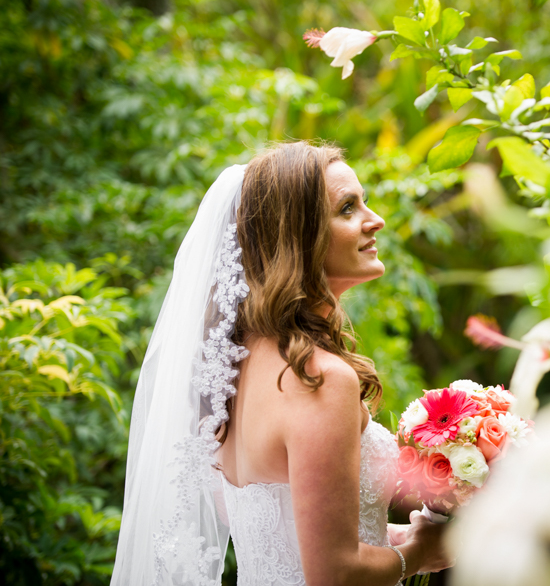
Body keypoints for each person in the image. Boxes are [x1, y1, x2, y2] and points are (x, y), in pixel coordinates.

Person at [111, 141, 451, 586]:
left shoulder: (235, 368)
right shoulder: (318, 380)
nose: (375, 220)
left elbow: (285, 524)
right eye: (348, 208)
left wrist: (401, 536)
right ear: (299, 237)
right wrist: (422, 551)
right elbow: (334, 573)